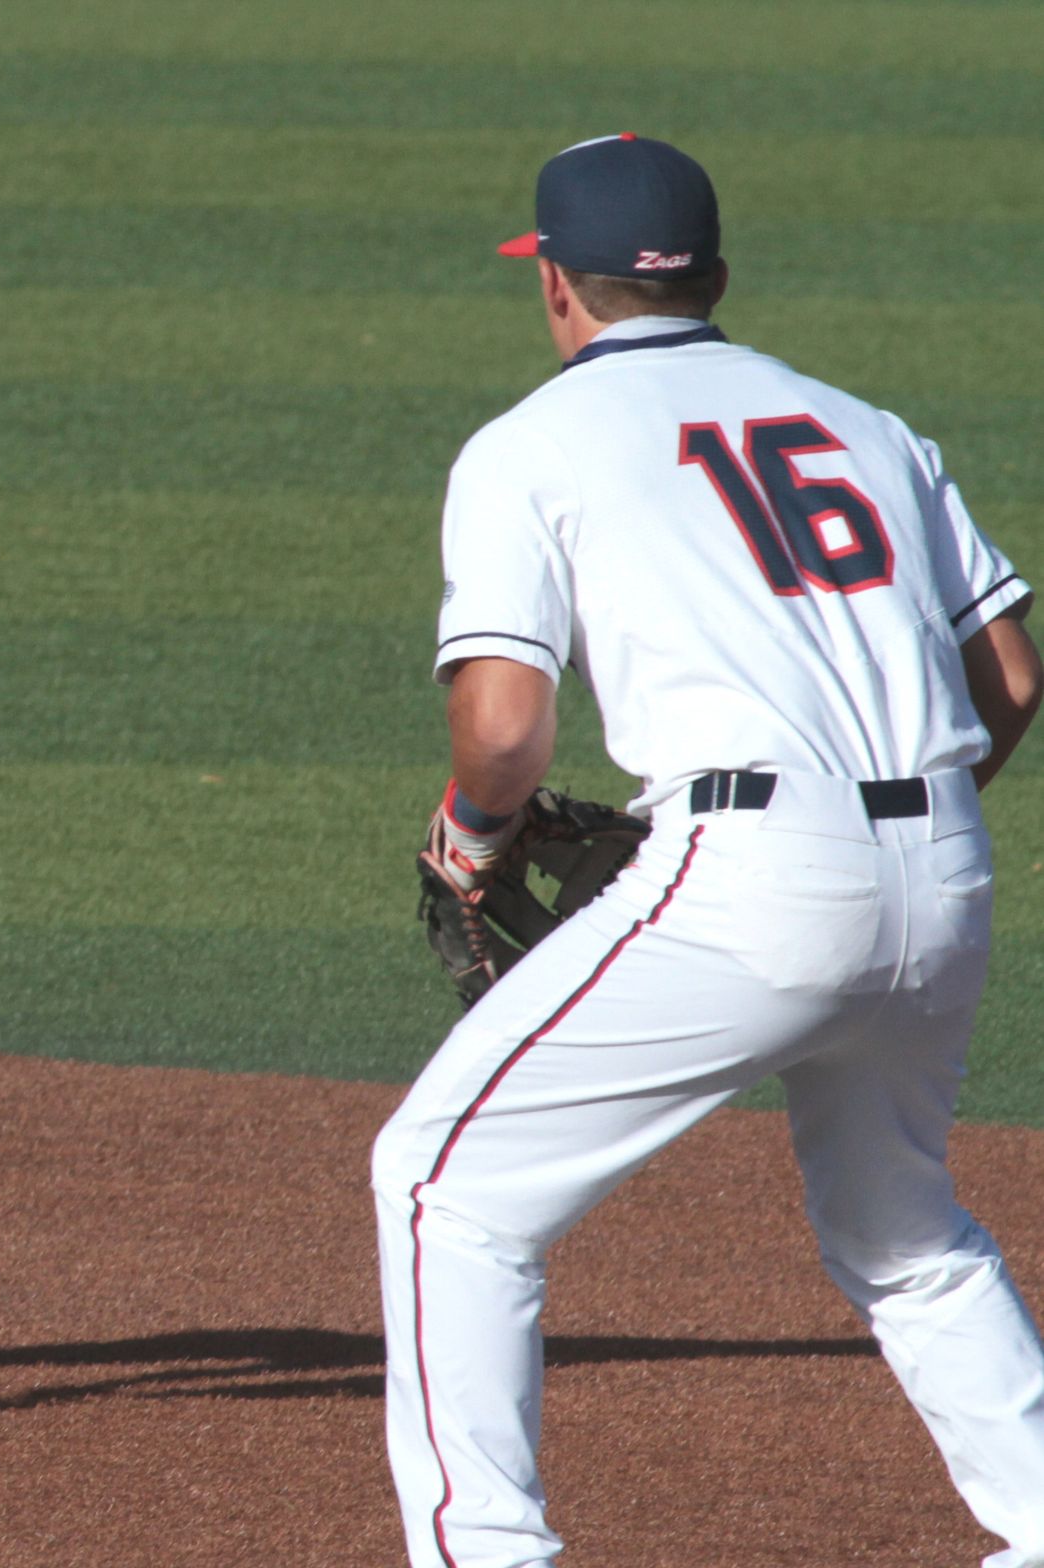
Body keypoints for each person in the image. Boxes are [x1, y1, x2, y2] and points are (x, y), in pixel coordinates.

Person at [374, 133, 1044, 1567]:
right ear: (713, 274)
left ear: (556, 284)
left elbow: (503, 732)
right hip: (946, 870)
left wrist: (469, 837)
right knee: (905, 1233)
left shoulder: (530, 445)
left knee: (444, 1183)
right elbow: (1014, 684)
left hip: (753, 883)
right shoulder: (869, 423)